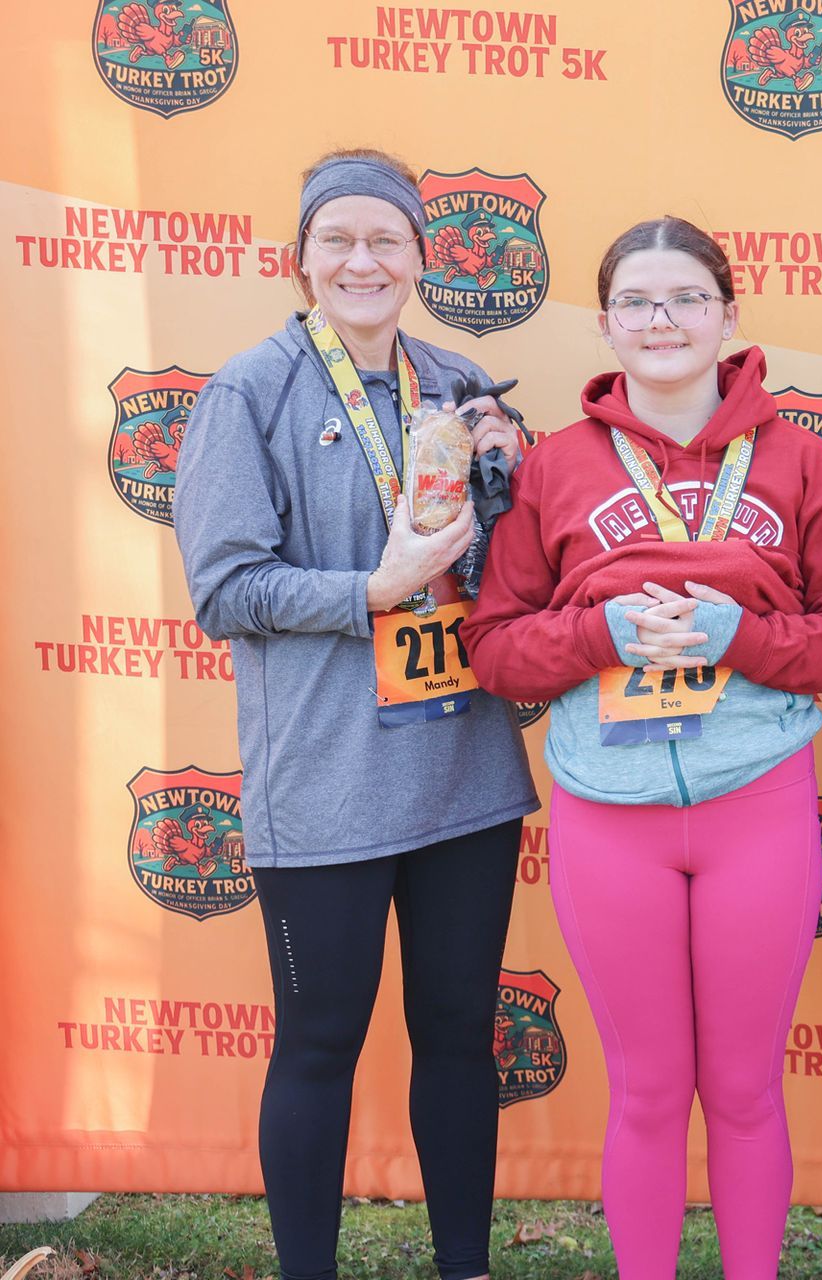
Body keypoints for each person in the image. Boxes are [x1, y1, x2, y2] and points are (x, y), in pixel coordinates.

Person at [463, 216, 822, 1279]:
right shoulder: (557, 466)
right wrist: (599, 631)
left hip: (756, 804)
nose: (664, 320)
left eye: (688, 298)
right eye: (638, 302)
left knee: (743, 1089)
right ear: (606, 324)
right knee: (649, 1090)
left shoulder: (802, 461)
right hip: (609, 811)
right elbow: (496, 646)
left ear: (729, 314)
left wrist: (740, 636)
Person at [173, 148, 537, 1280]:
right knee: (320, 1042)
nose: (362, 261)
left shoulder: (460, 383)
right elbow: (225, 589)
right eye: (338, 239)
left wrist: (511, 481)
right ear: (303, 260)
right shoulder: (250, 392)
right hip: (326, 784)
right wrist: (369, 591)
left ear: (422, 255)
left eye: (386, 239)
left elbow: (510, 569)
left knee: (460, 1034)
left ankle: (466, 1265)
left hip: (465, 774)